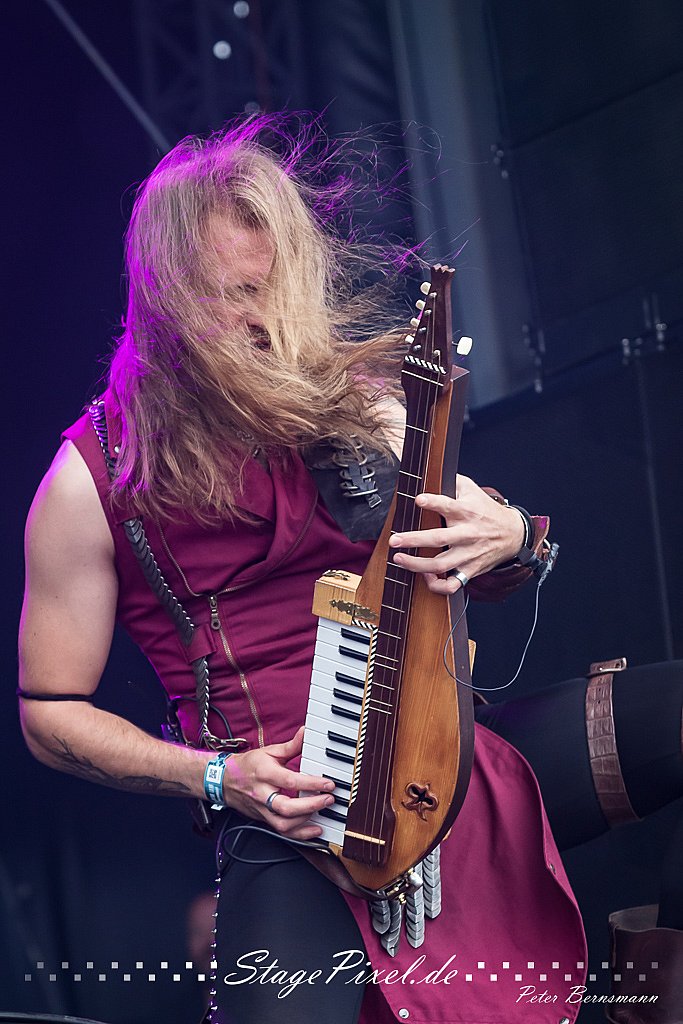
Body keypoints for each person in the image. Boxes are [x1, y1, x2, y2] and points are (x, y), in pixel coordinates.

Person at [18, 117, 682, 1024]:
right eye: (230, 296)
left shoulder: (360, 403)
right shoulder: (88, 482)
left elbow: (475, 556)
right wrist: (215, 776)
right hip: (288, 825)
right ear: (163, 298)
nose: (259, 320)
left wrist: (513, 536)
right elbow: (48, 713)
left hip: (452, 762)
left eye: (272, 289)